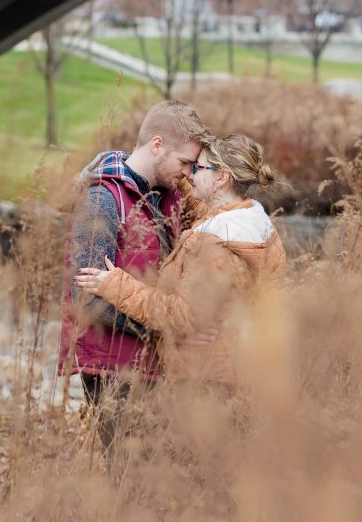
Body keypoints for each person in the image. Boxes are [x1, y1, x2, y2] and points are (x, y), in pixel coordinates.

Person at [74, 134, 287, 387]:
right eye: (188, 166)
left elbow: (180, 315)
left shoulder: (217, 244)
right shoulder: (244, 219)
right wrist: (155, 165)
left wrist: (116, 285)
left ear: (221, 178)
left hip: (203, 380)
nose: (190, 174)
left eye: (198, 168)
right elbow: (203, 208)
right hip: (222, 368)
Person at [58, 99, 211, 449]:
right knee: (132, 476)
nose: (188, 174)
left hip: (154, 360)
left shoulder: (167, 198)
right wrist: (171, 326)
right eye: (185, 162)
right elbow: (87, 301)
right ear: (157, 145)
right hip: (113, 365)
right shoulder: (102, 201)